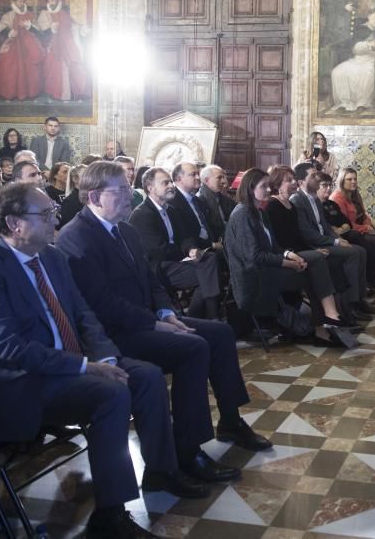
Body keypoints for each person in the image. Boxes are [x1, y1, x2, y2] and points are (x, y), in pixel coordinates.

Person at [0, 182, 207, 539]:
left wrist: (104, 355)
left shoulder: (51, 257)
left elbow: (83, 313)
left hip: (68, 368)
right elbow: (6, 350)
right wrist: (86, 367)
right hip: (18, 384)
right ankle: (110, 517)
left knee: (146, 376)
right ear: (14, 223)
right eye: (45, 214)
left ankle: (162, 470)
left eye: (53, 212)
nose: (55, 219)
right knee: (111, 394)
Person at [56, 162, 271, 470]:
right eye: (121, 190)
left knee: (220, 333)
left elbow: (151, 279)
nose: (131, 195)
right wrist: (154, 323)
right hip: (114, 335)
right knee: (193, 347)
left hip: (145, 321)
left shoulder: (125, 229)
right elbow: (101, 303)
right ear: (94, 196)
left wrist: (167, 312)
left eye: (129, 188)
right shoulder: (75, 237)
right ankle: (187, 449)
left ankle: (231, 421)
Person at [224, 168, 358, 348]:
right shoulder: (242, 214)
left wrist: (291, 255)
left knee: (313, 268)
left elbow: (274, 246)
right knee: (311, 271)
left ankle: (326, 323)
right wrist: (289, 263)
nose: (268, 190)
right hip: (253, 277)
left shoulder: (259, 212)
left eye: (268, 186)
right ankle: (325, 323)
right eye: (263, 186)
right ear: (250, 188)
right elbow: (254, 257)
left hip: (267, 269)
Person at [129, 167, 223, 320]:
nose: (171, 186)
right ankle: (208, 317)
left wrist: (191, 249)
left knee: (210, 260)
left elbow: (184, 237)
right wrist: (184, 253)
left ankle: (198, 319)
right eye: (165, 183)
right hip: (159, 267)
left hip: (177, 261)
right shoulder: (141, 215)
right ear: (150, 188)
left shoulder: (171, 210)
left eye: (171, 182)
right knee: (209, 274)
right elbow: (158, 250)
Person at [291, 163, 375, 318]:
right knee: (352, 253)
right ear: (301, 181)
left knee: (361, 250)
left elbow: (325, 226)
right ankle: (350, 305)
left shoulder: (314, 199)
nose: (316, 178)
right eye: (312, 176)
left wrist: (338, 238)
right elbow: (307, 233)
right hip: (314, 245)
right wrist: (335, 242)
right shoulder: (297, 200)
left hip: (325, 240)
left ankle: (359, 299)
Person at [330, 167, 375, 292]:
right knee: (374, 242)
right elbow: (346, 224)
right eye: (349, 179)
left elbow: (363, 215)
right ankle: (372, 278)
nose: (353, 182)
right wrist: (365, 228)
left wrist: (369, 225)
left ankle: (373, 277)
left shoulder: (355, 194)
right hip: (348, 233)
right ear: (342, 181)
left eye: (355, 179)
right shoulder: (337, 198)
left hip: (359, 229)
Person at [330, 11, 375, 112]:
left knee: (366, 74)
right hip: (357, 58)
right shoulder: (361, 29)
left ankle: (362, 103)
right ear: (369, 17)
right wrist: (368, 46)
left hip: (373, 60)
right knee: (338, 71)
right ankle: (345, 102)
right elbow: (355, 48)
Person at [37, 0, 90, 101]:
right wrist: (52, 30)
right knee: (53, 64)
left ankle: (76, 92)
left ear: (57, 0)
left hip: (66, 44)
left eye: (53, 0)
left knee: (75, 63)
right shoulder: (44, 14)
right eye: (49, 0)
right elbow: (43, 32)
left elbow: (73, 26)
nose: (51, 2)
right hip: (51, 44)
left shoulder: (64, 13)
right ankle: (55, 93)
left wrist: (82, 29)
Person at [0, 0, 45, 100]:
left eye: (22, 1)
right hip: (12, 44)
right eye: (18, 1)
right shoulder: (8, 15)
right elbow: (1, 29)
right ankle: (11, 93)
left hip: (28, 45)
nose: (21, 3)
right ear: (13, 2)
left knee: (32, 66)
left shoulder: (30, 14)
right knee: (7, 65)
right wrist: (10, 32)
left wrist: (29, 26)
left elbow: (39, 30)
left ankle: (29, 93)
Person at [198, 164, 233, 241]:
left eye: (223, 178)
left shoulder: (222, 197)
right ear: (206, 180)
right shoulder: (200, 200)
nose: (224, 181)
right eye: (219, 178)